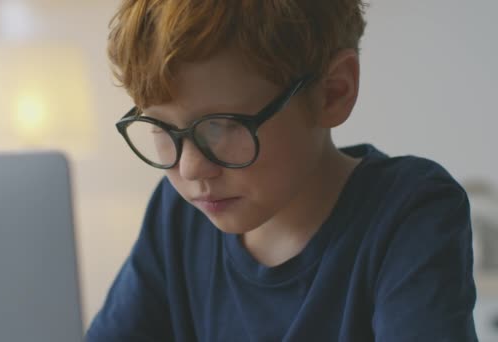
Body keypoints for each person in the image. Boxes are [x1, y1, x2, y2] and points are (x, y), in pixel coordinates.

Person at [86, 0, 478, 341]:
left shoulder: (409, 211)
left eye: (221, 126)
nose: (189, 168)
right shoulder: (177, 214)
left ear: (333, 92)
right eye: (161, 129)